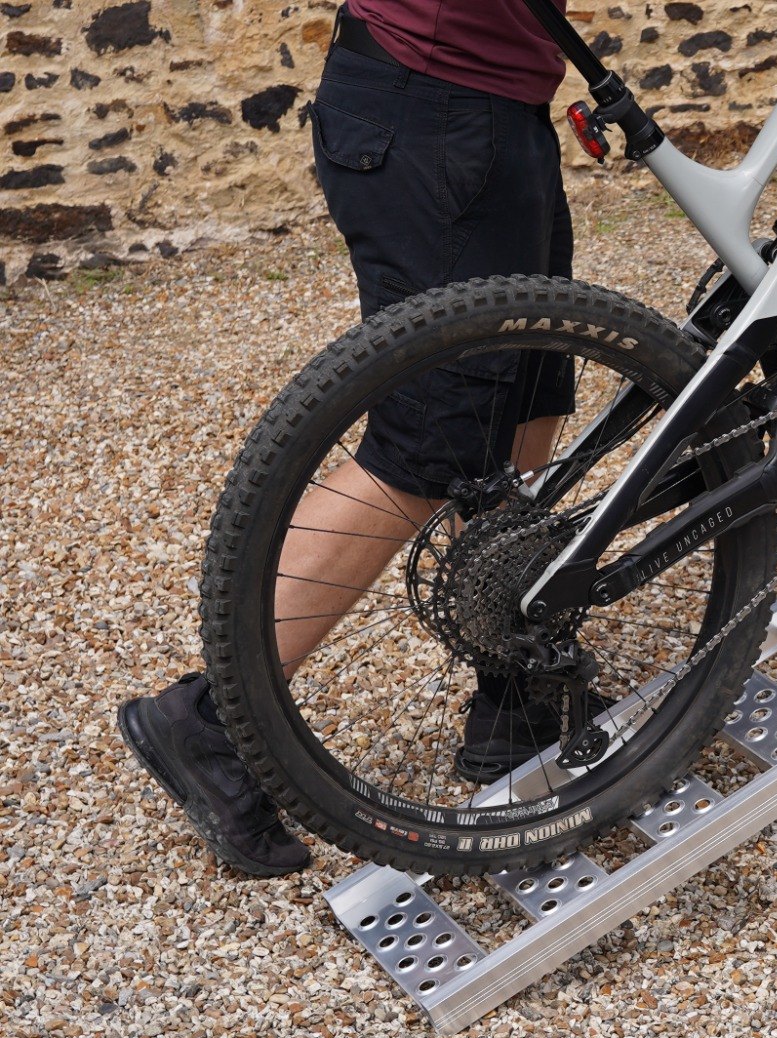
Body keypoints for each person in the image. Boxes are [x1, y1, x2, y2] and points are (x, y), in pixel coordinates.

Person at [117, 0, 576, 877]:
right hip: (439, 103)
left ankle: (511, 689)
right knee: (429, 450)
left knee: (526, 398)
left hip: (492, 103)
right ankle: (211, 722)